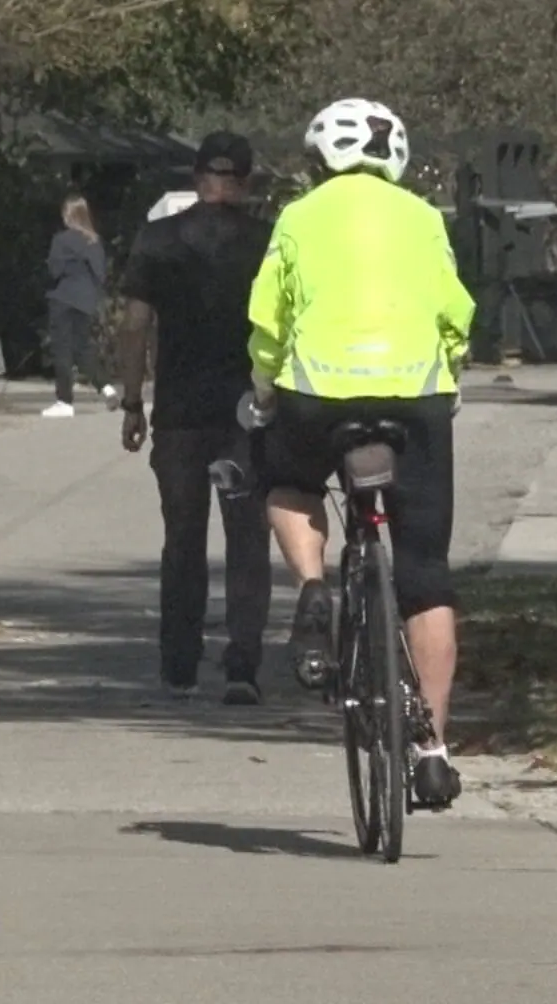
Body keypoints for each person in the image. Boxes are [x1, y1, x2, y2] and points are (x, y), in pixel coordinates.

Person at [247, 97, 475, 808]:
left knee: (286, 482)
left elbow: (267, 316)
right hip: (415, 399)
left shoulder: (298, 216)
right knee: (427, 576)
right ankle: (432, 750)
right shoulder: (424, 219)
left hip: (320, 397)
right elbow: (455, 312)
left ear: (320, 161)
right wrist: (452, 373)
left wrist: (263, 386)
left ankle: (315, 590)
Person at [116, 132, 275, 705]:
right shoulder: (268, 241)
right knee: (247, 538)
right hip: (248, 410)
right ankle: (243, 664)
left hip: (180, 411)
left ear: (196, 177)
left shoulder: (160, 239)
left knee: (182, 537)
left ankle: (180, 664)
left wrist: (133, 400)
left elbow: (135, 324)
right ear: (247, 181)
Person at [42, 193, 118, 417]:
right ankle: (106, 387)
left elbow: (54, 271)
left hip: (63, 298)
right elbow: (101, 274)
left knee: (62, 350)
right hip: (86, 300)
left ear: (68, 215)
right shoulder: (94, 241)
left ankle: (64, 401)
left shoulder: (61, 240)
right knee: (83, 347)